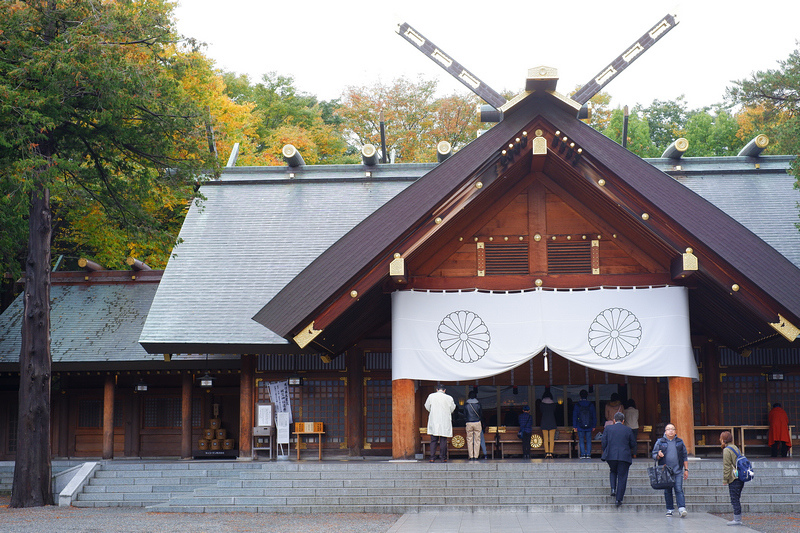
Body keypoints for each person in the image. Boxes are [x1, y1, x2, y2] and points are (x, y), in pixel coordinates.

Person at [652, 423, 689, 518]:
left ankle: (681, 508)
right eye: (668, 429)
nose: (671, 431)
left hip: (678, 470)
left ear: (675, 431)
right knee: (667, 491)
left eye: (672, 429)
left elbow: (684, 456)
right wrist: (658, 455)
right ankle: (670, 509)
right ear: (665, 431)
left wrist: (686, 469)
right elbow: (653, 455)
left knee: (679, 489)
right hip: (665, 471)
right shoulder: (660, 442)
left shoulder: (680, 442)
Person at [601, 411, 636, 507]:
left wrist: (606, 451)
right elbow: (633, 443)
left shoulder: (608, 428)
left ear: (614, 420)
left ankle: (613, 489)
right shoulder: (628, 430)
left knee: (613, 471)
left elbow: (604, 442)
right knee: (622, 477)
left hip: (611, 455)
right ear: (623, 421)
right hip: (624, 456)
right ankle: (618, 499)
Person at [424, 383, 456, 463]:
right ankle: (443, 457)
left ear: (436, 389)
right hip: (444, 421)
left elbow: (427, 406)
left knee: (433, 440)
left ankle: (432, 457)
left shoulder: (431, 396)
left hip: (434, 420)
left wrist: (433, 411)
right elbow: (452, 408)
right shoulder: (449, 398)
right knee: (443, 440)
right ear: (444, 390)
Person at [720, 430, 745, 526]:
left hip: (734, 477)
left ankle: (737, 519)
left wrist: (725, 479)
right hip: (740, 475)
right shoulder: (735, 447)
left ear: (723, 440)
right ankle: (737, 518)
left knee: (734, 498)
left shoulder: (727, 450)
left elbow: (727, 466)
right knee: (737, 497)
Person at [573, 389, 597, 459]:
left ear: (580, 396)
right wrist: (594, 425)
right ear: (587, 396)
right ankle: (588, 454)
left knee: (581, 440)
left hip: (579, 425)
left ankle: (583, 454)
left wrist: (575, 425)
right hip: (589, 425)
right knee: (589, 440)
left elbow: (575, 416)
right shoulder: (591, 405)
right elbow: (593, 415)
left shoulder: (577, 405)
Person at [464, 390, 483, 461]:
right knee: (477, 439)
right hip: (477, 422)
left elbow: (465, 415)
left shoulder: (466, 404)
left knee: (469, 439)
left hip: (469, 422)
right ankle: (476, 456)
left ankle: (471, 456)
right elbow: (481, 414)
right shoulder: (478, 404)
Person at [540, 391, 558, 458]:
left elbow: (541, 411)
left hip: (544, 422)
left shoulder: (542, 404)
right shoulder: (553, 404)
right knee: (551, 439)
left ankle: (547, 452)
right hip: (552, 422)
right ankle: (551, 453)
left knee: (545, 439)